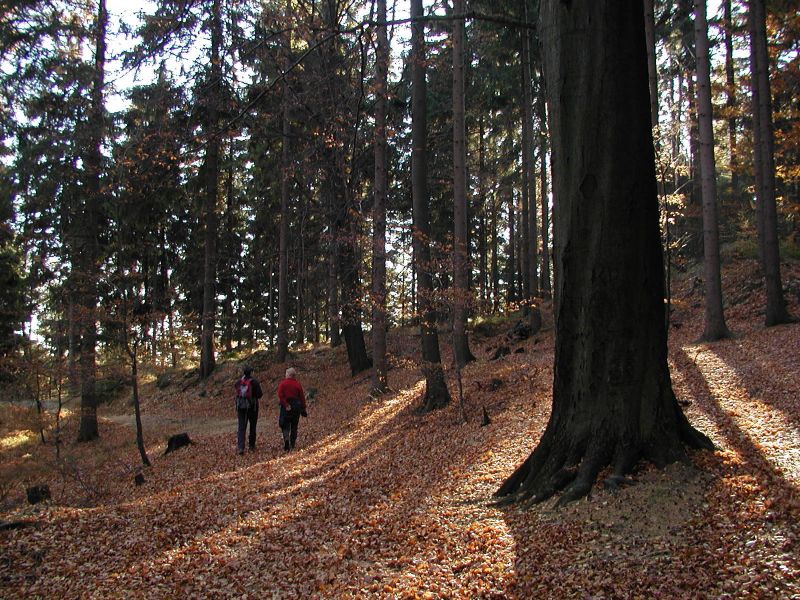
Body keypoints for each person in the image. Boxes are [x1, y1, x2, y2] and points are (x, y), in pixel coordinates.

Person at [234, 366, 263, 455]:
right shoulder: (254, 382)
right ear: (251, 372)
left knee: (241, 427)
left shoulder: (239, 382)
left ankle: (241, 447)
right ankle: (251, 446)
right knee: (252, 426)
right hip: (252, 407)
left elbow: (236, 389)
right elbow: (260, 394)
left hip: (241, 407)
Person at [277, 367, 307, 451]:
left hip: (286, 406)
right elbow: (302, 397)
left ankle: (286, 439)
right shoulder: (297, 384)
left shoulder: (283, 383)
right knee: (294, 425)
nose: (285, 375)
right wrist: (303, 408)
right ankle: (292, 444)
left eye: (286, 373)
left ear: (289, 375)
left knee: (284, 424)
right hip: (296, 406)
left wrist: (286, 404)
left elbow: (280, 395)